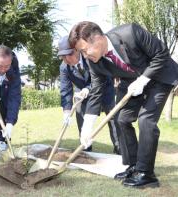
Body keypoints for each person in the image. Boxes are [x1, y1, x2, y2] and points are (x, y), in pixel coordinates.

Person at [69, 21, 178, 188]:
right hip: (131, 82)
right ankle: (133, 166)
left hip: (160, 76)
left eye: (84, 50)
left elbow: (161, 54)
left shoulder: (130, 32)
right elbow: (97, 90)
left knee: (146, 120)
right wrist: (87, 127)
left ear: (97, 39)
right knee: (121, 118)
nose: (85, 56)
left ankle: (146, 174)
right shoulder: (94, 62)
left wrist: (143, 79)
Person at [58, 35, 120, 154]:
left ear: (77, 50)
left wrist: (88, 88)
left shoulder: (90, 57)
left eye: (69, 54)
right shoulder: (64, 67)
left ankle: (119, 147)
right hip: (82, 95)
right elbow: (65, 90)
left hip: (104, 90)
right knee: (80, 113)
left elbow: (102, 78)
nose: (67, 59)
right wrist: (66, 111)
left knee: (112, 118)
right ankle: (86, 147)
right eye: (63, 56)